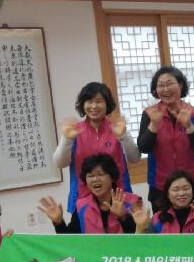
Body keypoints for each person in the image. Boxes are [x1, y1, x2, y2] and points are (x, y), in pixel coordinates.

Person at [54, 82, 140, 212]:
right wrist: (67, 139)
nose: (94, 106)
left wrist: (123, 136)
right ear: (83, 104)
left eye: (99, 101)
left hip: (117, 197)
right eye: (89, 101)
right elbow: (59, 163)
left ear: (107, 104)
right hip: (83, 198)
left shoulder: (117, 127)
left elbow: (135, 158)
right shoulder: (74, 130)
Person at [137, 66, 194, 212]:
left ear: (180, 85)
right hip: (160, 185)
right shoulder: (150, 114)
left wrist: (188, 125)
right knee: (163, 224)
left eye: (169, 84)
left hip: (190, 184)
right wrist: (154, 125)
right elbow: (144, 147)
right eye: (160, 85)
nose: (165, 89)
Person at [38, 154, 143, 234]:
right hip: (93, 256)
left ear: (112, 178)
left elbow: (142, 241)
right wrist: (58, 222)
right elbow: (70, 242)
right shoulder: (82, 206)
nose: (95, 179)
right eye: (90, 176)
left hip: (123, 256)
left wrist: (123, 217)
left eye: (100, 174)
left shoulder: (131, 202)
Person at [133, 170, 194, 234]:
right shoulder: (158, 218)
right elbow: (142, 247)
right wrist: (140, 228)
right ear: (167, 194)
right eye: (175, 189)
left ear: (193, 190)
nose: (181, 193)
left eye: (186, 188)